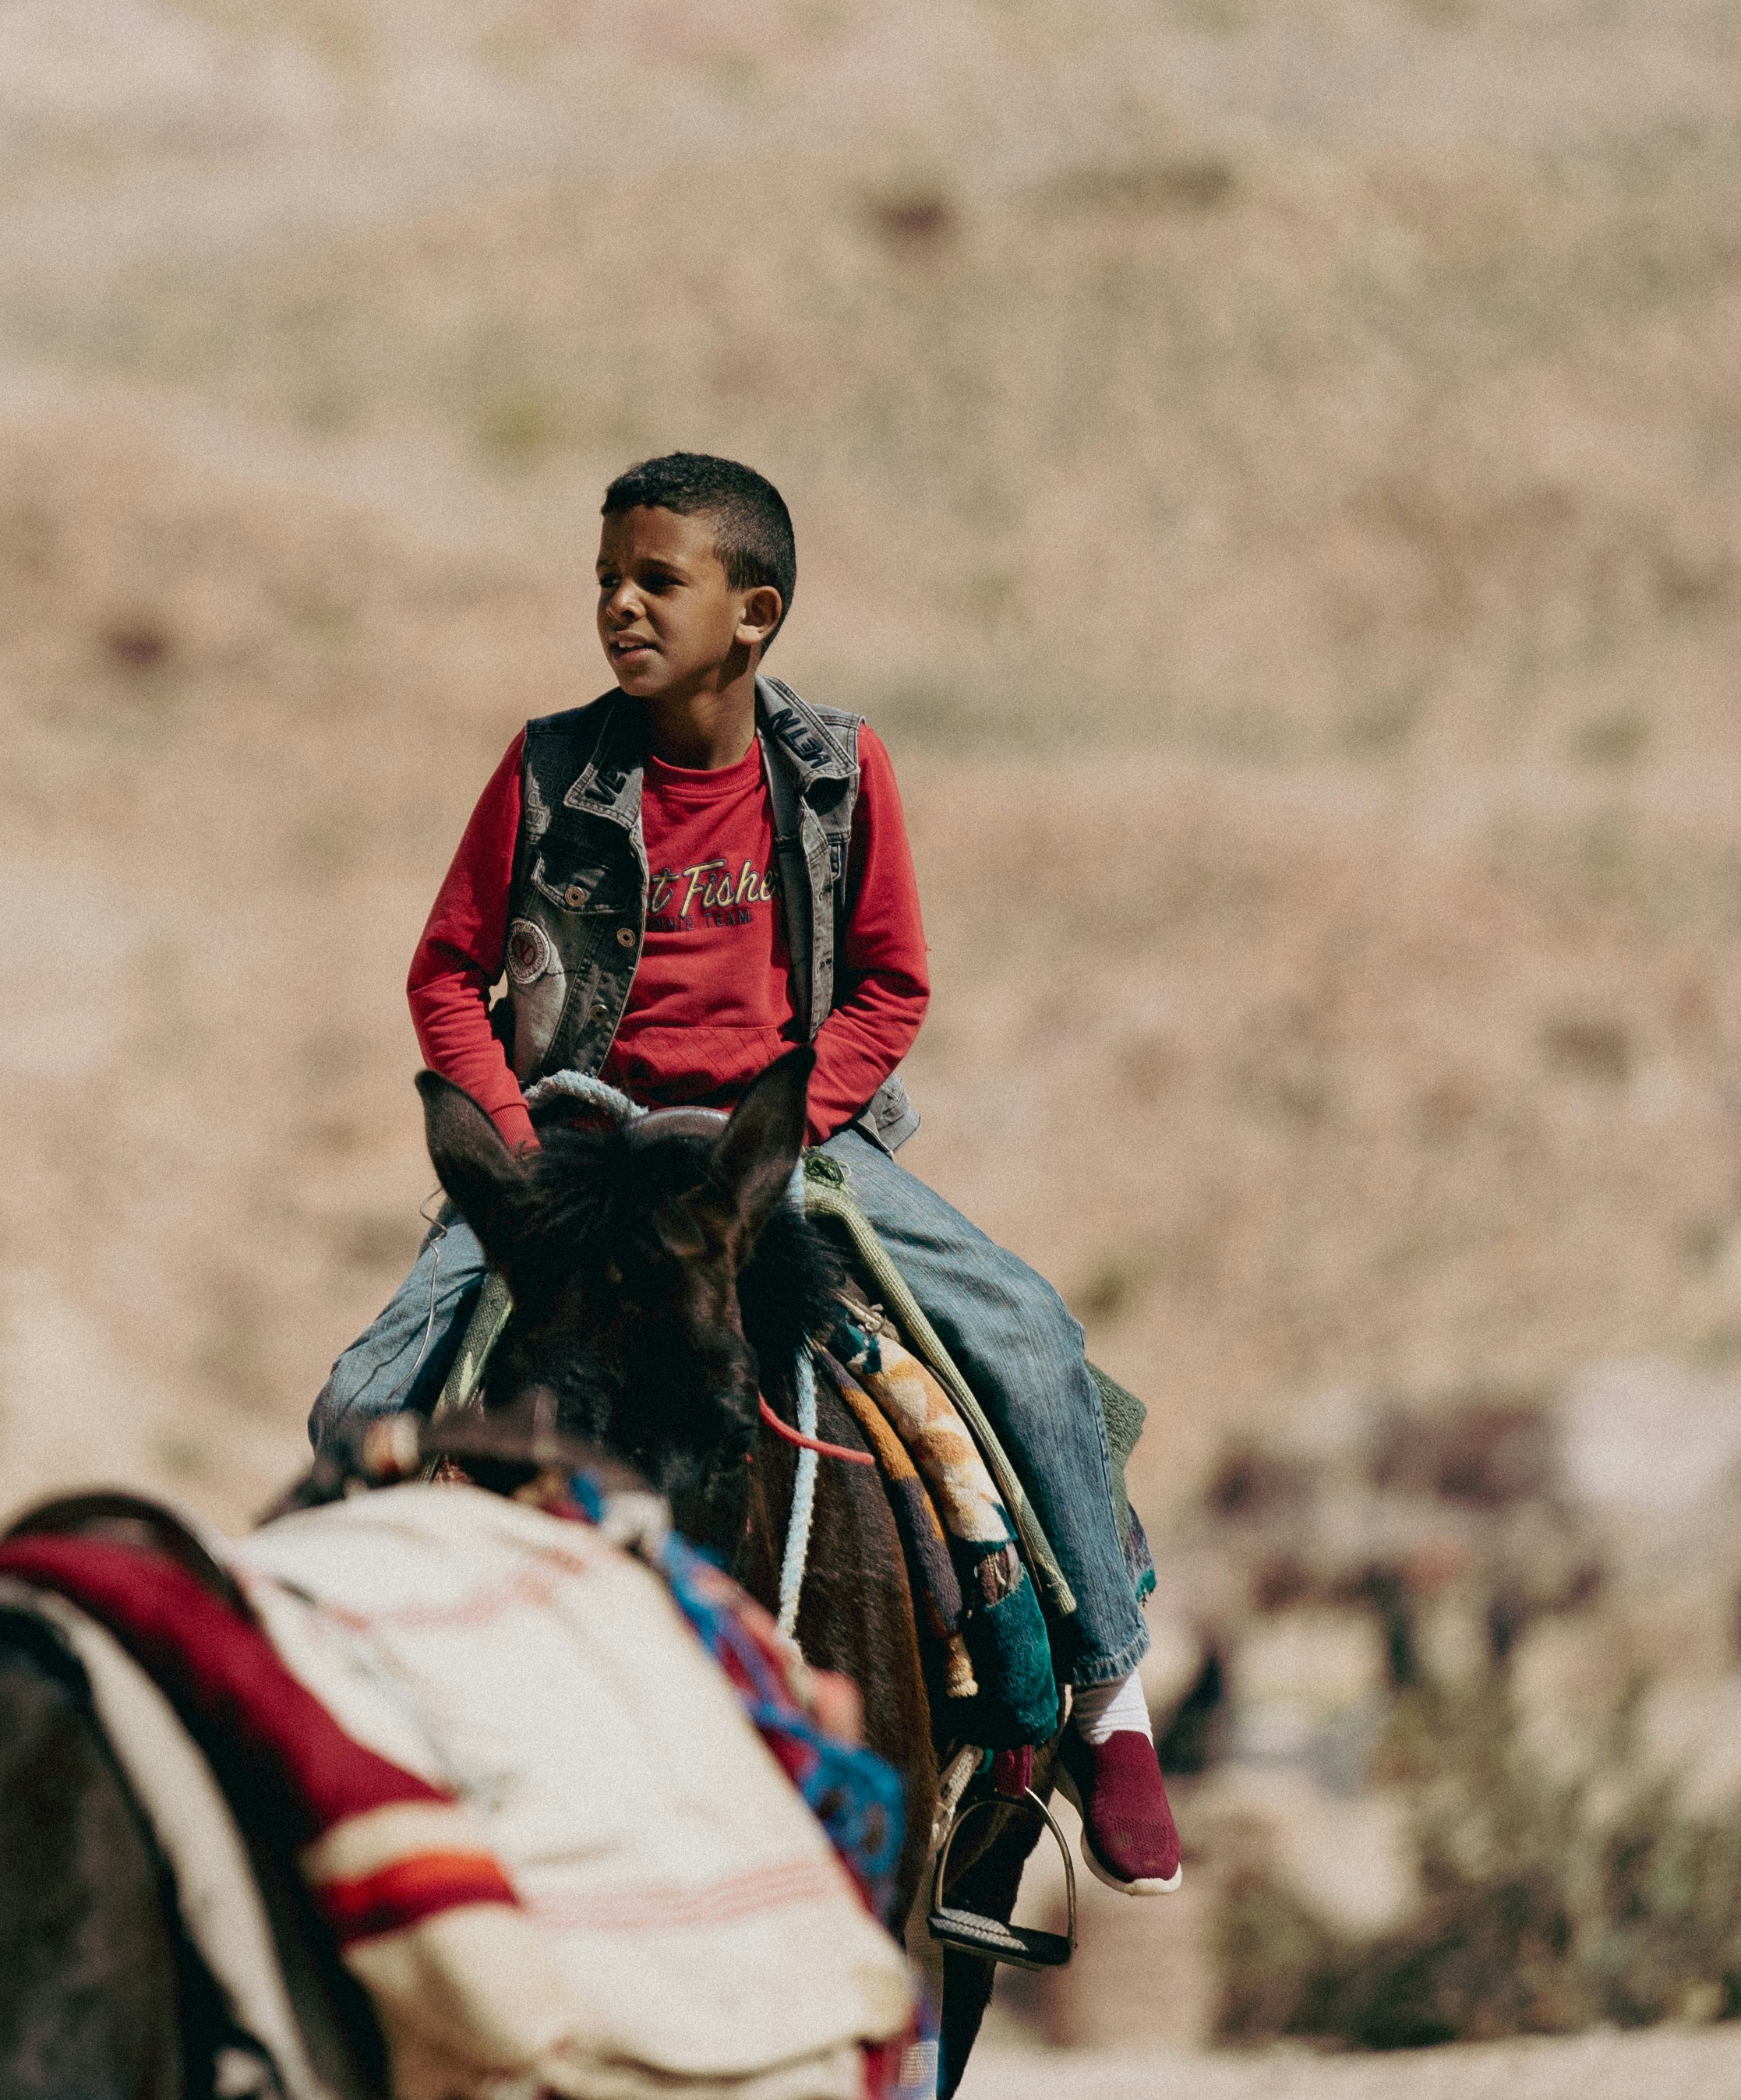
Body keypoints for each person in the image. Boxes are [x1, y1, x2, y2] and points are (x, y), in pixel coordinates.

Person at [327, 445, 1181, 1897]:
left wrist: (785, 1132)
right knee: (362, 1394)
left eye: (658, 579)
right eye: (606, 577)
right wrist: (522, 1157)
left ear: (755, 612)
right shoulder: (548, 769)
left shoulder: (839, 770)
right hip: (579, 1140)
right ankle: (352, 1719)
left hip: (772, 1140)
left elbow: (892, 988)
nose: (621, 606)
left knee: (1028, 1334)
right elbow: (445, 978)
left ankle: (1107, 1697)